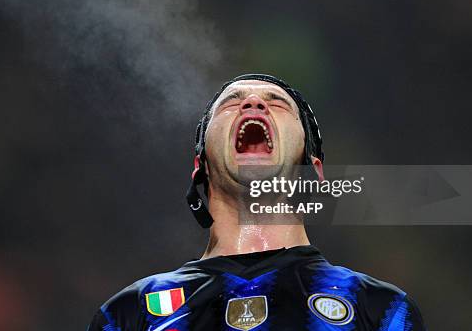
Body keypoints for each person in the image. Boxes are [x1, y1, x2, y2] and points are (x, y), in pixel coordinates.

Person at [88, 74, 425, 330]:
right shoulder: (130, 312)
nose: (252, 103)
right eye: (231, 103)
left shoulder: (381, 309)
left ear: (314, 170)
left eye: (277, 104)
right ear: (200, 165)